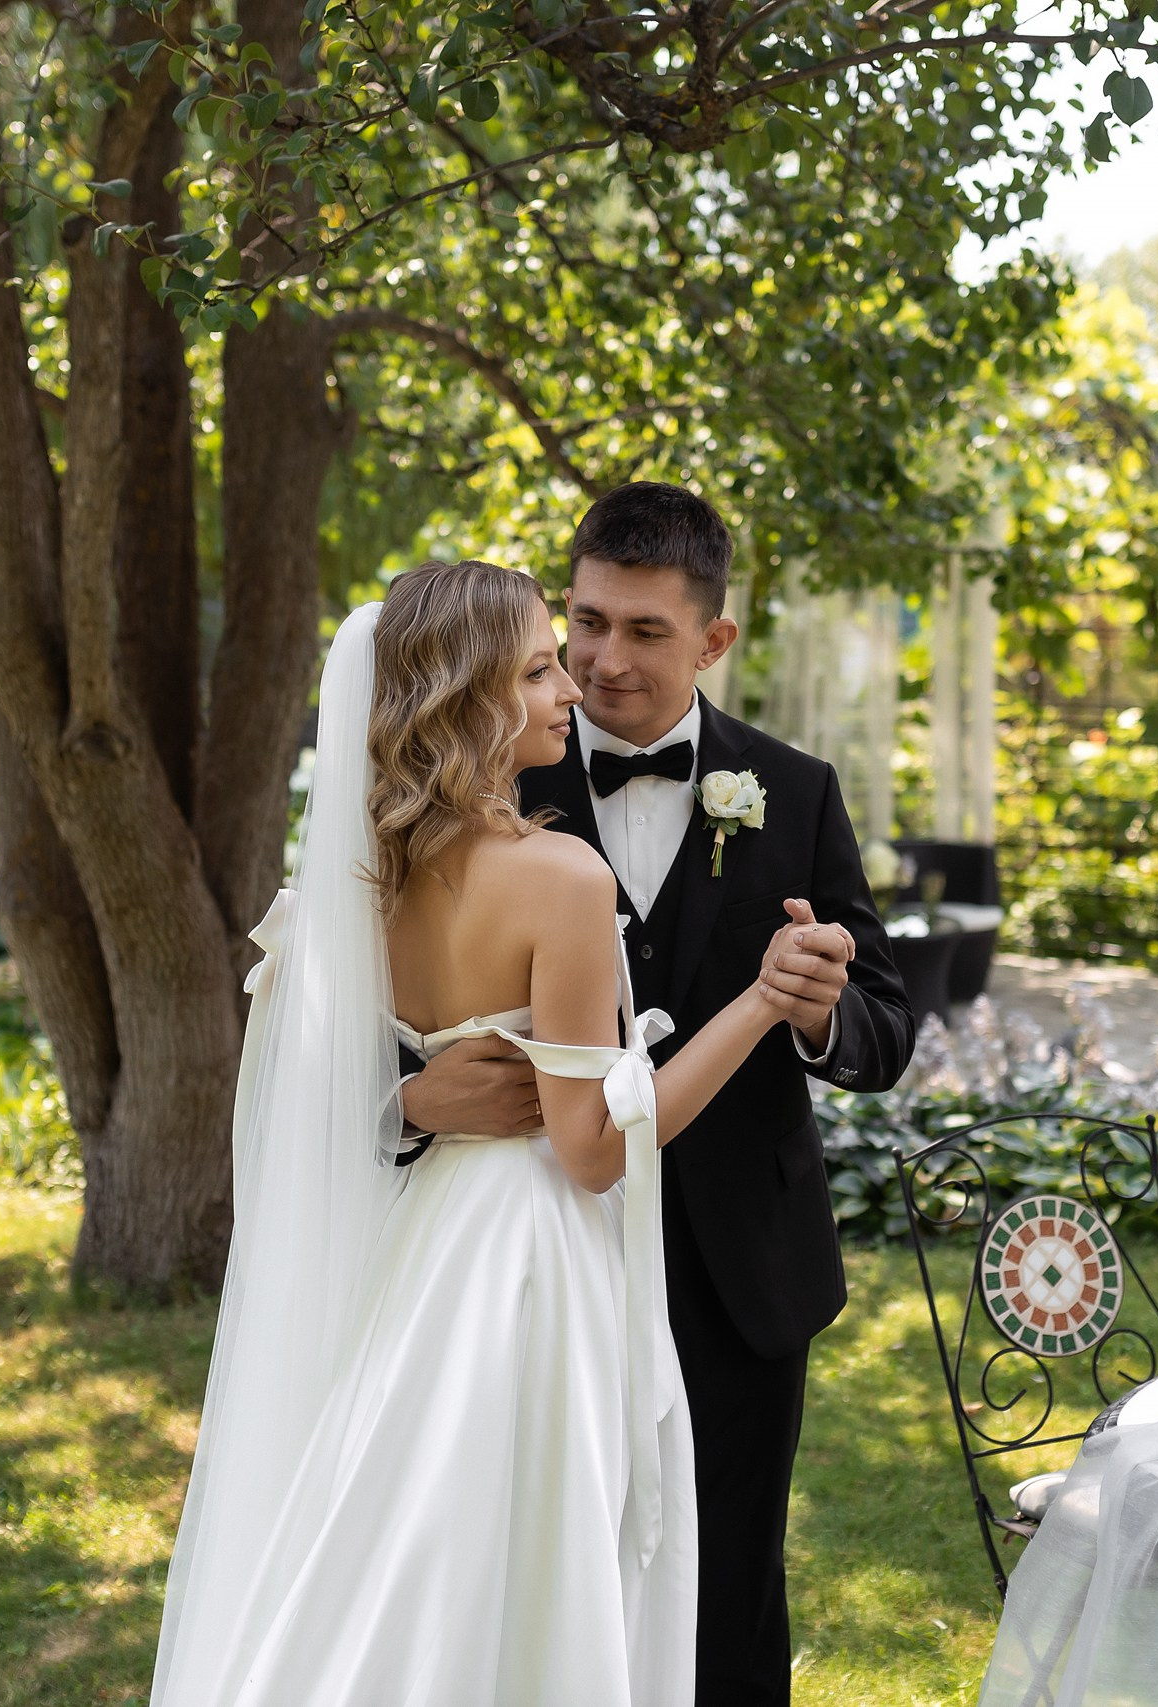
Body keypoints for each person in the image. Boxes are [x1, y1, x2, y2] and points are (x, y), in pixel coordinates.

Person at [151, 560, 823, 1707]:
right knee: (533, 1553)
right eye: (539, 667)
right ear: (468, 700)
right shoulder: (559, 877)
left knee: (406, 1542)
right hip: (530, 1263)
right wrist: (758, 1006)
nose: (573, 687)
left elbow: (305, 1090)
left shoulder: (359, 878)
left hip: (420, 1253)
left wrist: (406, 1099)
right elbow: (593, 1146)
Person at [404, 484, 917, 1706]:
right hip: (539, 1261)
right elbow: (369, 1024)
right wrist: (413, 1100)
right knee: (541, 1578)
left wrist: (813, 1011)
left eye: (642, 631)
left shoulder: (791, 789)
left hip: (740, 1268)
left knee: (729, 1587)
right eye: (584, 622)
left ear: (713, 641)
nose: (599, 659)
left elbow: (885, 1028)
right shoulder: (476, 781)